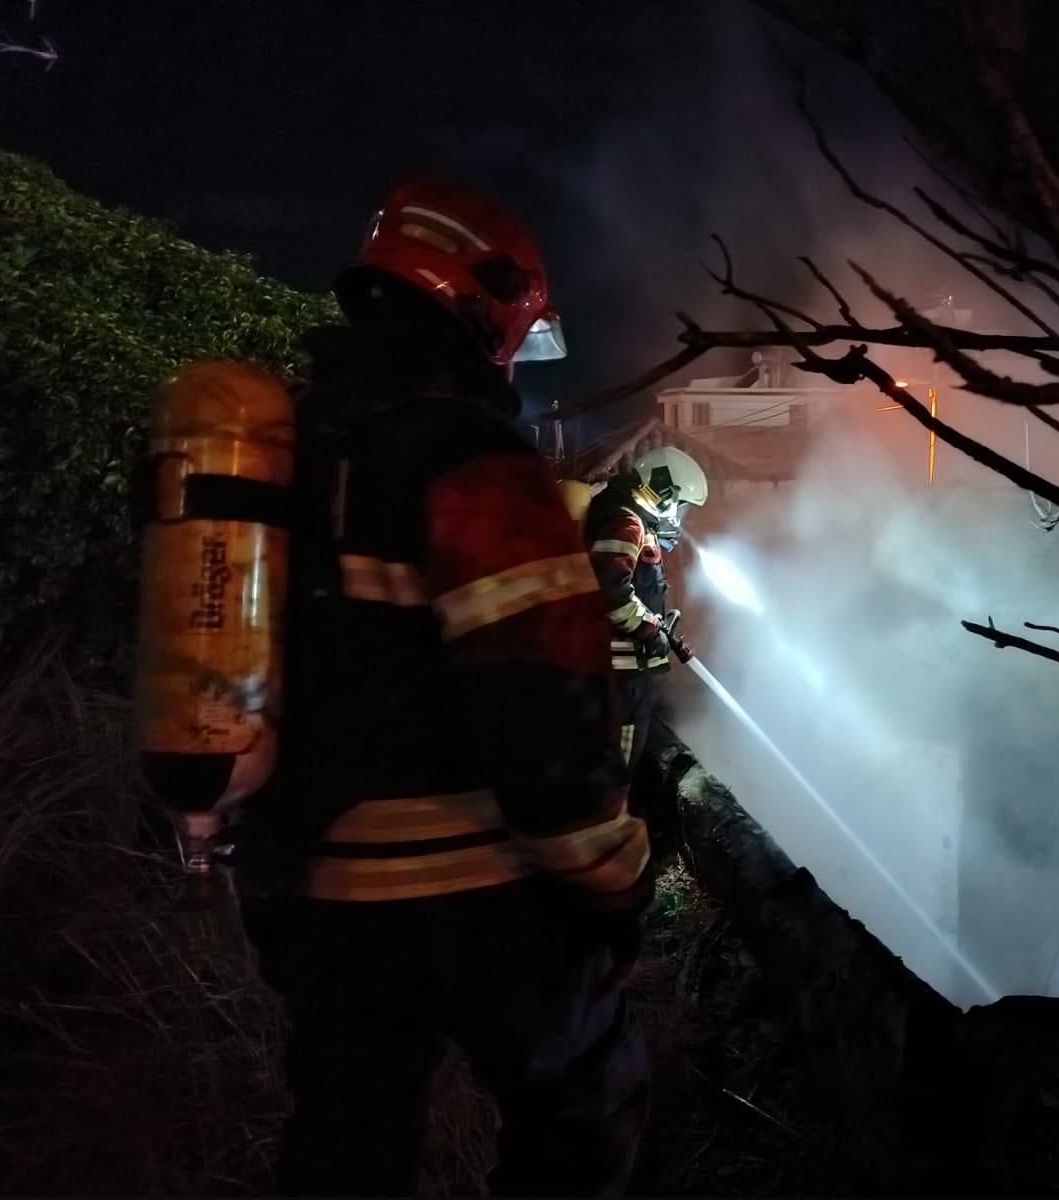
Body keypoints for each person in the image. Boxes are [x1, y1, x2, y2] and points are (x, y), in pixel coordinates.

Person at [228, 175, 652, 1198]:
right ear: (488, 302)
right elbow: (541, 706)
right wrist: (614, 868)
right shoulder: (470, 456)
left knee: (346, 1142)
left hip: (318, 889)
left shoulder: (299, 443)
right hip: (478, 896)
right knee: (584, 1109)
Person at [582, 446, 707, 775]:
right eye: (680, 506)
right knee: (619, 761)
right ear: (664, 492)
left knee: (625, 751)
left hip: (625, 670)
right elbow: (611, 591)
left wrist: (656, 625)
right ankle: (614, 814)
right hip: (621, 671)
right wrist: (649, 630)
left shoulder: (628, 520)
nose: (679, 518)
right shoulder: (626, 524)